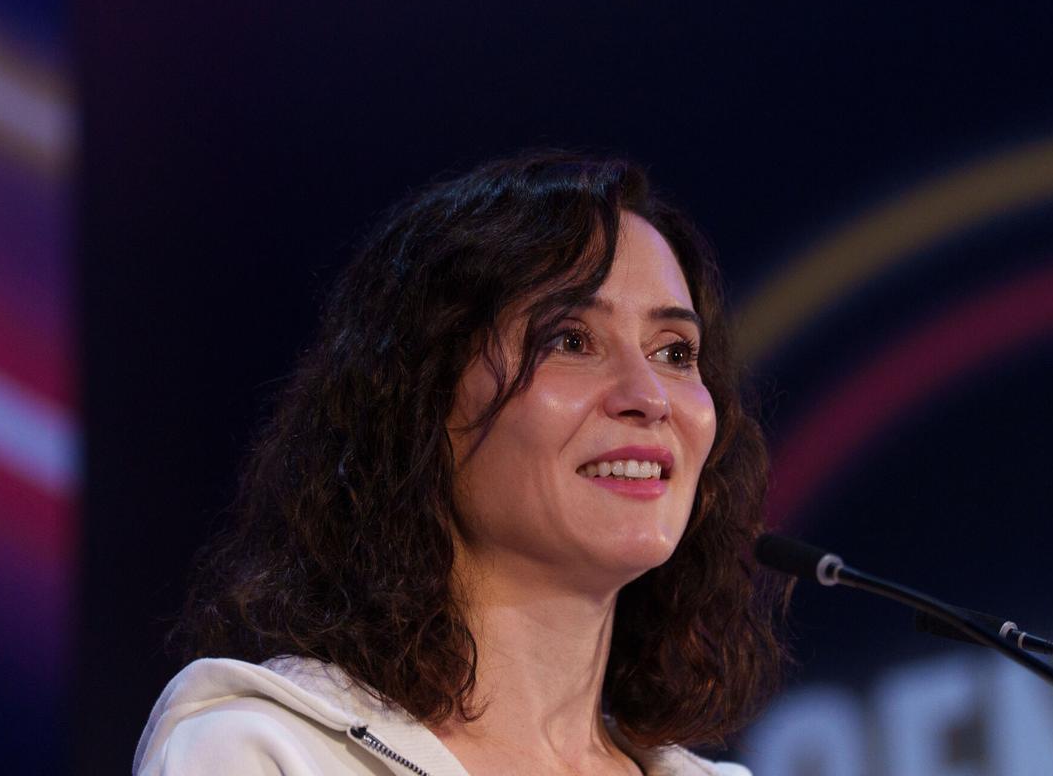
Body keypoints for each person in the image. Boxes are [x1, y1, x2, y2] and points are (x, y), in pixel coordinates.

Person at [134, 151, 786, 775]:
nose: (649, 397)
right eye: (570, 339)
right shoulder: (265, 754)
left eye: (675, 353)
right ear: (422, 398)